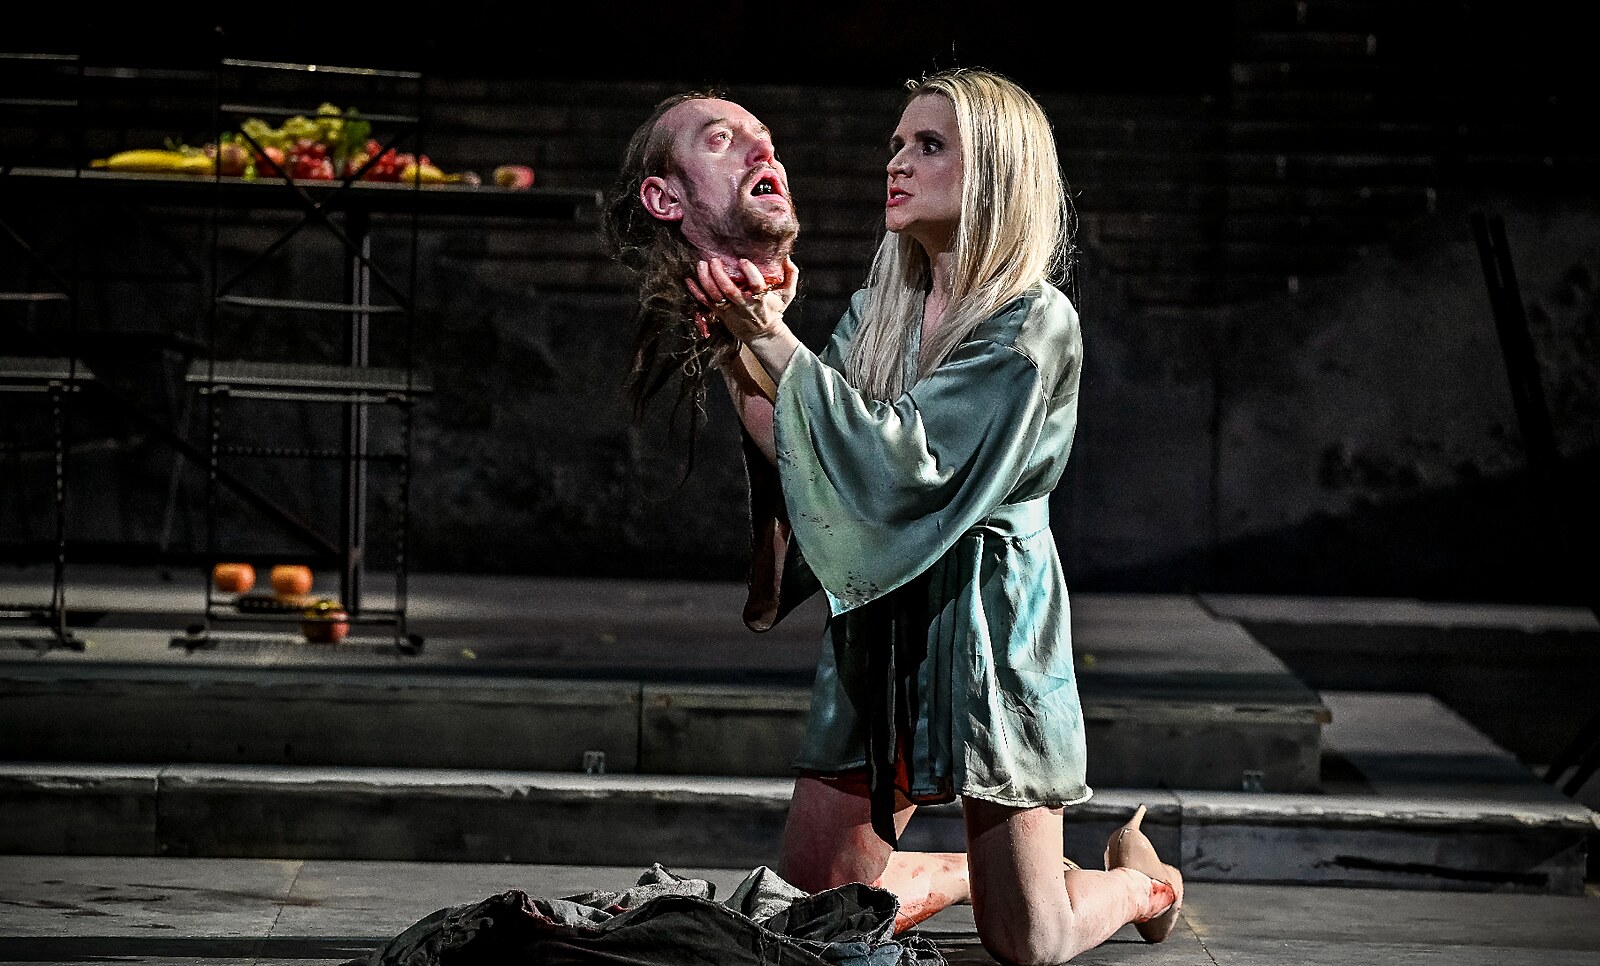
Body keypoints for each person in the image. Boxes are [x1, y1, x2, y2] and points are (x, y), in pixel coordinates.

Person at [687, 68, 1184, 965]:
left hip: (989, 622)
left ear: (995, 171)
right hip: (886, 622)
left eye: (929, 146)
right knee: (799, 916)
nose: (897, 162)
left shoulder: (1033, 323)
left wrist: (771, 337)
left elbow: (904, 466)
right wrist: (733, 349)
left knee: (1029, 942)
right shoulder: (880, 311)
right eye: (896, 144)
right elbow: (813, 451)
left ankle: (1145, 884)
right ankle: (961, 871)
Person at [600, 89, 798, 465]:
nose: (765, 150)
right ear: (666, 199)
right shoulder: (648, 354)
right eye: (721, 139)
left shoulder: (840, 323)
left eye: (764, 137)